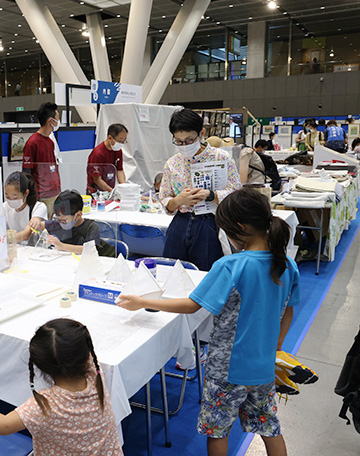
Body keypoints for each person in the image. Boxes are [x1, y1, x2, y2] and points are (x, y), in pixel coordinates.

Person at [117, 188, 300, 456]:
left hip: (226, 369)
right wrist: (276, 346)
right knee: (269, 428)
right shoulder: (286, 264)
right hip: (263, 365)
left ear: (239, 228)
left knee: (217, 431)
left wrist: (144, 301)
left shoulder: (230, 266)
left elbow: (192, 305)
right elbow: (289, 312)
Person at [0, 318, 123, 455]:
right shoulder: (96, 374)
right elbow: (77, 347)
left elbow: (3, 425)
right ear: (86, 355)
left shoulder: (44, 405)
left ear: (41, 366)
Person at [158, 109, 241, 271]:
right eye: (179, 141)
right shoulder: (172, 163)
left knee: (205, 274)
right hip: (180, 224)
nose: (184, 145)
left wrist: (211, 195)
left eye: (189, 140)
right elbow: (165, 199)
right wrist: (178, 201)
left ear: (201, 133)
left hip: (209, 223)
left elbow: (236, 193)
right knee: (172, 272)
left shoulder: (221, 158)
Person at [32, 190, 114, 256]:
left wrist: (62, 246)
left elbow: (89, 250)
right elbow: (40, 225)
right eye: (58, 219)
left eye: (64, 220)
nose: (61, 223)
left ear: (78, 215)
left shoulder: (90, 227)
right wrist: (36, 223)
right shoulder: (58, 223)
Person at [22, 102, 62, 217]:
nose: (58, 121)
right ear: (50, 121)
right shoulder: (32, 143)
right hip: (42, 195)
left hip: (55, 192)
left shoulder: (50, 141)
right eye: (57, 118)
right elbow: (27, 172)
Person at [0, 171, 47, 243]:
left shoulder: (38, 207)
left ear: (26, 193)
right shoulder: (5, 207)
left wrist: (2, 239)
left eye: (15, 197)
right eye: (7, 196)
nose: (10, 200)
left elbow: (26, 235)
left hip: (37, 249)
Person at [86, 123, 127, 194]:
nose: (122, 143)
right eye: (120, 141)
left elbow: (119, 170)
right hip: (96, 191)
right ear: (110, 138)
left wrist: (124, 188)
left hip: (109, 189)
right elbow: (97, 179)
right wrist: (112, 191)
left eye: (124, 141)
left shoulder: (118, 151)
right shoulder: (98, 154)